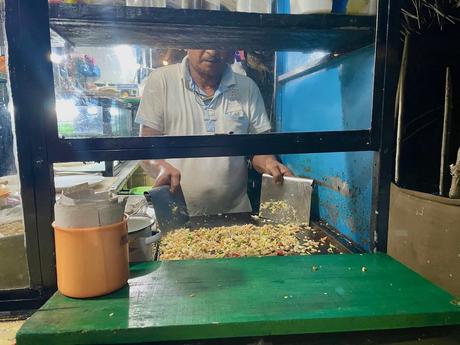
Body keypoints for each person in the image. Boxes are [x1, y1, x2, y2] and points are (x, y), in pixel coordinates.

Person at [136, 49, 293, 216]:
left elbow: (259, 149)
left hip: (236, 215)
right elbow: (146, 148)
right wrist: (160, 167)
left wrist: (269, 162)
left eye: (220, 42)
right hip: (177, 215)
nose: (212, 50)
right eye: (203, 42)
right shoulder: (161, 81)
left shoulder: (247, 88)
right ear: (186, 44)